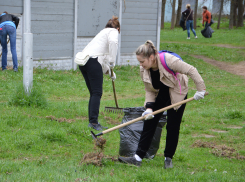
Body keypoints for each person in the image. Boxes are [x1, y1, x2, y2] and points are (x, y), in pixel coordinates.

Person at [119, 40, 206, 168]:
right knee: (149, 121)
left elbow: (191, 70)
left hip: (177, 91)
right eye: (139, 62)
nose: (140, 64)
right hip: (162, 91)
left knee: (172, 125)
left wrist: (201, 90)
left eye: (142, 61)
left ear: (152, 57)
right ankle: (137, 158)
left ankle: (168, 158)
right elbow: (149, 89)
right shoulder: (144, 69)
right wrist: (149, 108)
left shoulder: (169, 60)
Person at [76, 16, 120, 131]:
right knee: (97, 93)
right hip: (91, 61)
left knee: (93, 93)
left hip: (84, 62)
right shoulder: (113, 32)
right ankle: (94, 123)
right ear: (118, 29)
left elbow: (101, 59)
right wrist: (112, 61)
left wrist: (110, 72)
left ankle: (92, 121)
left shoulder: (102, 33)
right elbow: (113, 42)